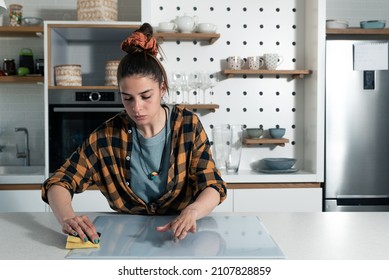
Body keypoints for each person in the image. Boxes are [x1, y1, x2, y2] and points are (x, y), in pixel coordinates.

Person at [41, 23, 227, 244]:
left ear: (162, 89)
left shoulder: (188, 125)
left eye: (146, 96)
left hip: (183, 237)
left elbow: (212, 185)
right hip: (124, 241)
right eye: (127, 98)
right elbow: (59, 182)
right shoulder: (107, 136)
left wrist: (193, 210)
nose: (136, 107)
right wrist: (67, 218)